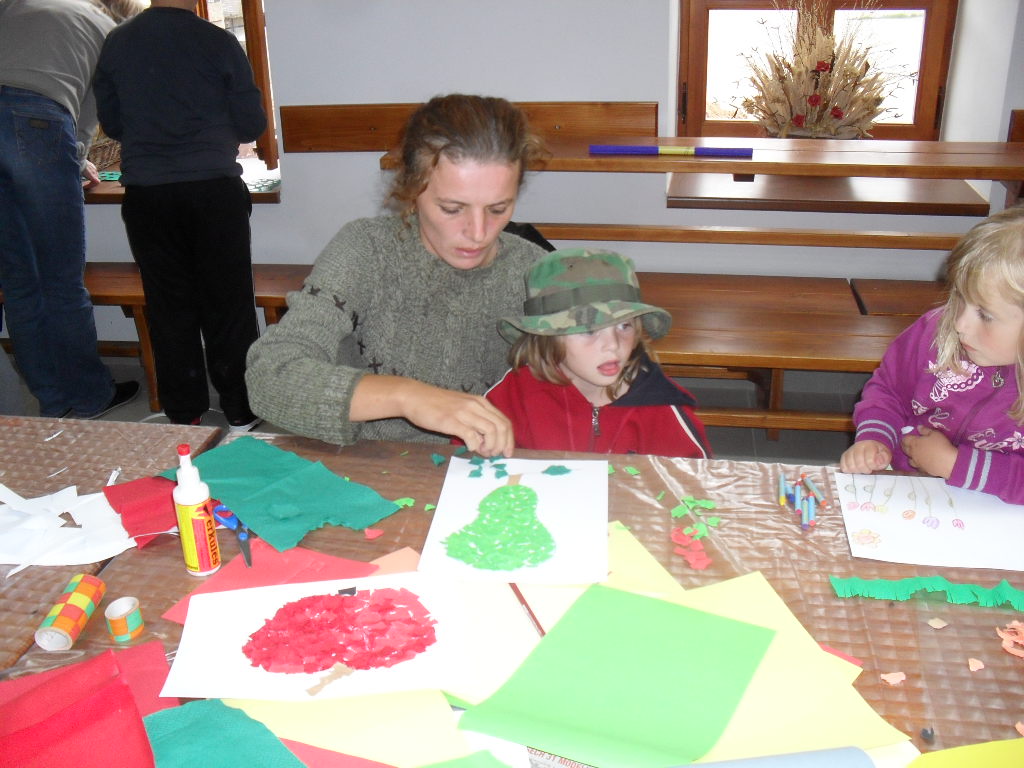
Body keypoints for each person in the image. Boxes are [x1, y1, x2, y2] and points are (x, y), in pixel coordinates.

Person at [245, 94, 550, 456]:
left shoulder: (535, 272)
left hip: (493, 468)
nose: (479, 233)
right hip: (371, 460)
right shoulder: (367, 250)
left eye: (498, 209)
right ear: (412, 190)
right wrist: (408, 396)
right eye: (452, 209)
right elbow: (269, 376)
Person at [93, 0, 266, 429]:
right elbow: (251, 124)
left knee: (168, 306)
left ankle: (184, 414)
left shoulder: (118, 42)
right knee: (229, 305)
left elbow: (112, 123)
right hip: (213, 190)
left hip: (149, 195)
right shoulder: (218, 41)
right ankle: (240, 412)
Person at [0, 0, 139, 419]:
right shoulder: (110, 33)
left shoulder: (28, 3)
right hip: (37, 119)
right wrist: (75, 160)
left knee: (19, 282)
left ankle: (52, 399)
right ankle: (91, 396)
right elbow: (87, 117)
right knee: (61, 281)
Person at [840, 205, 1024, 505]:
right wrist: (875, 437)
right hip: (907, 489)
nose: (960, 324)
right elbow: (888, 390)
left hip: (996, 513)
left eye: (985, 315)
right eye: (959, 298)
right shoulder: (934, 331)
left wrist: (956, 465)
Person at [487, 248, 711, 458]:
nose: (612, 345)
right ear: (547, 336)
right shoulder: (514, 396)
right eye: (589, 331)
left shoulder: (662, 407)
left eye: (624, 326)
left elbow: (692, 478)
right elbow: (476, 462)